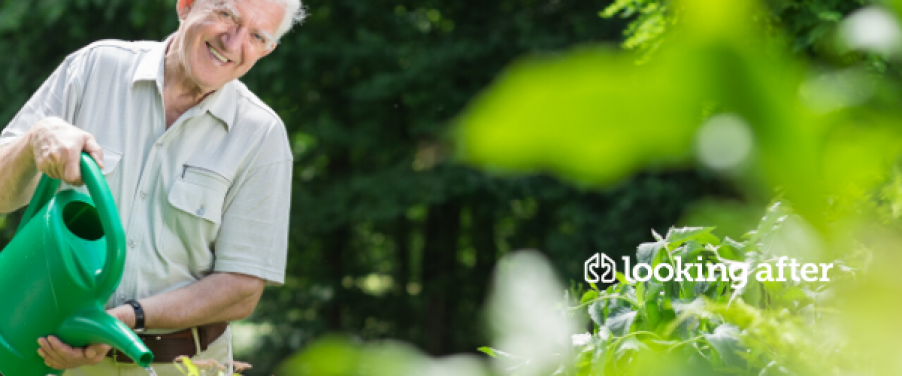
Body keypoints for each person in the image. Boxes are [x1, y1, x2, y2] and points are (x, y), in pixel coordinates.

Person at [0, 0, 305, 374]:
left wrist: (128, 319)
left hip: (183, 365)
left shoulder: (261, 136)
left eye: (256, 36)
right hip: (54, 355)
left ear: (267, 49)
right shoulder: (96, 68)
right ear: (186, 5)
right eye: (227, 15)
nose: (233, 42)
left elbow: (240, 288)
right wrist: (35, 140)